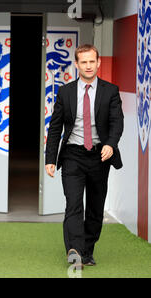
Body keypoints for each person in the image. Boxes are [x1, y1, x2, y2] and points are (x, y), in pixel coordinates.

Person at [45, 44, 123, 269]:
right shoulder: (66, 92)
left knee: (96, 207)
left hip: (100, 156)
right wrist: (51, 158)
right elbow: (55, 127)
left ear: (98, 63)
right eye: (84, 62)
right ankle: (75, 251)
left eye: (92, 61)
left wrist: (110, 144)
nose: (88, 66)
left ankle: (87, 251)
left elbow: (117, 122)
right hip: (72, 155)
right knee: (73, 204)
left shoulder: (111, 91)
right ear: (77, 65)